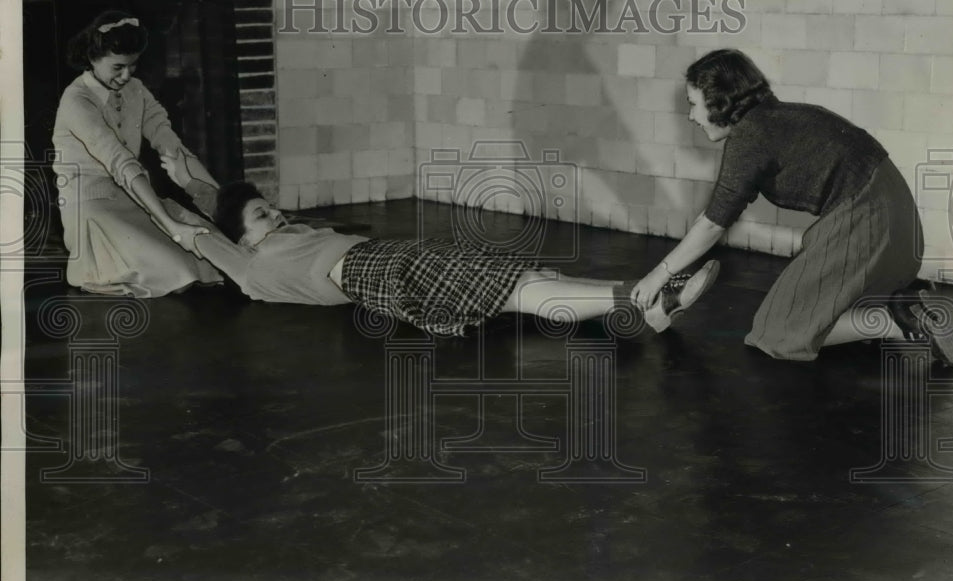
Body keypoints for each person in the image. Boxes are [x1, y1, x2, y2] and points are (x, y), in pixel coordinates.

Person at [631, 48, 953, 366]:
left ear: (719, 103)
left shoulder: (750, 136)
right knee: (818, 308)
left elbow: (713, 222)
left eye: (693, 105)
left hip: (871, 226)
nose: (691, 116)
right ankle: (900, 302)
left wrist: (656, 276)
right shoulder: (782, 116)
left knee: (777, 335)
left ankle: (896, 321)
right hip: (902, 235)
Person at [171, 179, 720, 338]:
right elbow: (195, 232)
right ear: (241, 242)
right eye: (262, 217)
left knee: (528, 277)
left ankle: (644, 304)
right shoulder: (251, 269)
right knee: (519, 289)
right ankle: (650, 294)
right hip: (377, 273)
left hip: (388, 259)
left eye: (272, 209)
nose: (276, 217)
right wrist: (162, 203)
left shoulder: (286, 240)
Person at [51, 10, 222, 297]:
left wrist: (219, 202)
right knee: (180, 269)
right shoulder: (76, 99)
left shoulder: (136, 90)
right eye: (118, 67)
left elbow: (169, 143)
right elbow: (121, 162)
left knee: (212, 246)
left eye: (132, 65)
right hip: (92, 208)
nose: (127, 75)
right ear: (93, 59)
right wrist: (172, 226)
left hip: (133, 197)